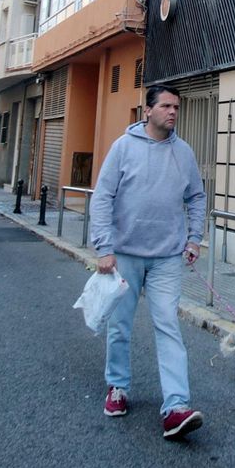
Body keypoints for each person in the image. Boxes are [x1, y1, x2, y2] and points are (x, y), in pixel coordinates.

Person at [89, 85, 207, 440]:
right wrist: (103, 247)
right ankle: (118, 388)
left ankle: (175, 407)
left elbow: (197, 196)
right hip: (124, 254)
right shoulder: (123, 148)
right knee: (120, 324)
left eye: (176, 107)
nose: (173, 112)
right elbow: (103, 197)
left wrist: (194, 238)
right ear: (148, 110)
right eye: (166, 106)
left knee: (168, 325)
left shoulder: (182, 152)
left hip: (167, 257)